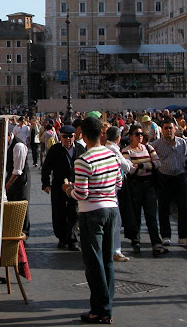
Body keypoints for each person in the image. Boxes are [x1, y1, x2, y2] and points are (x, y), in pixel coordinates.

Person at [62, 116, 121, 325]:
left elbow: (81, 194)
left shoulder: (83, 160)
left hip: (91, 213)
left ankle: (101, 309)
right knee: (107, 260)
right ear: (101, 133)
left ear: (82, 135)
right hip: (111, 209)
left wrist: (68, 189)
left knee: (93, 263)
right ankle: (107, 304)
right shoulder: (112, 156)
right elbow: (119, 183)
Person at [121, 125, 167, 256]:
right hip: (135, 186)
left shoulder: (148, 148)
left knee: (151, 215)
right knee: (135, 215)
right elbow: (130, 169)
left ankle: (156, 243)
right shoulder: (126, 151)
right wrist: (149, 166)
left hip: (149, 185)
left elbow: (157, 163)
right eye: (136, 134)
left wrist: (141, 165)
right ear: (131, 136)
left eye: (141, 134)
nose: (139, 136)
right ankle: (136, 241)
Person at [41, 125, 85, 251]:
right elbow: (46, 167)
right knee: (58, 212)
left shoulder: (80, 149)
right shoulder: (55, 149)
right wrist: (46, 183)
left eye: (70, 136)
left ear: (74, 136)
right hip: (58, 185)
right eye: (64, 137)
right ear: (60, 137)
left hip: (75, 185)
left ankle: (72, 239)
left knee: (74, 212)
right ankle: (61, 237)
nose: (68, 139)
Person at [150, 118, 187, 248]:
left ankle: (184, 236)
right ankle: (166, 236)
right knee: (164, 208)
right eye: (166, 128)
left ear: (175, 129)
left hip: (179, 176)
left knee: (183, 207)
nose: (169, 130)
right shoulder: (156, 145)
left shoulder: (182, 143)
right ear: (162, 130)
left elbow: (184, 156)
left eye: (171, 128)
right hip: (164, 178)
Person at [104, 126, 133, 262]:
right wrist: (129, 162)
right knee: (116, 221)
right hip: (111, 190)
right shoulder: (113, 149)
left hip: (108, 188)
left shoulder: (106, 147)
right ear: (118, 138)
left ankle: (113, 249)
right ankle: (113, 250)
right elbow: (127, 167)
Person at [6, 129, 30, 237]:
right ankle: (14, 228)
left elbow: (17, 169)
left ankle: (23, 230)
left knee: (20, 202)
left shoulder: (18, 146)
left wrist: (9, 183)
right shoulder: (10, 144)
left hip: (20, 179)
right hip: (12, 176)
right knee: (12, 200)